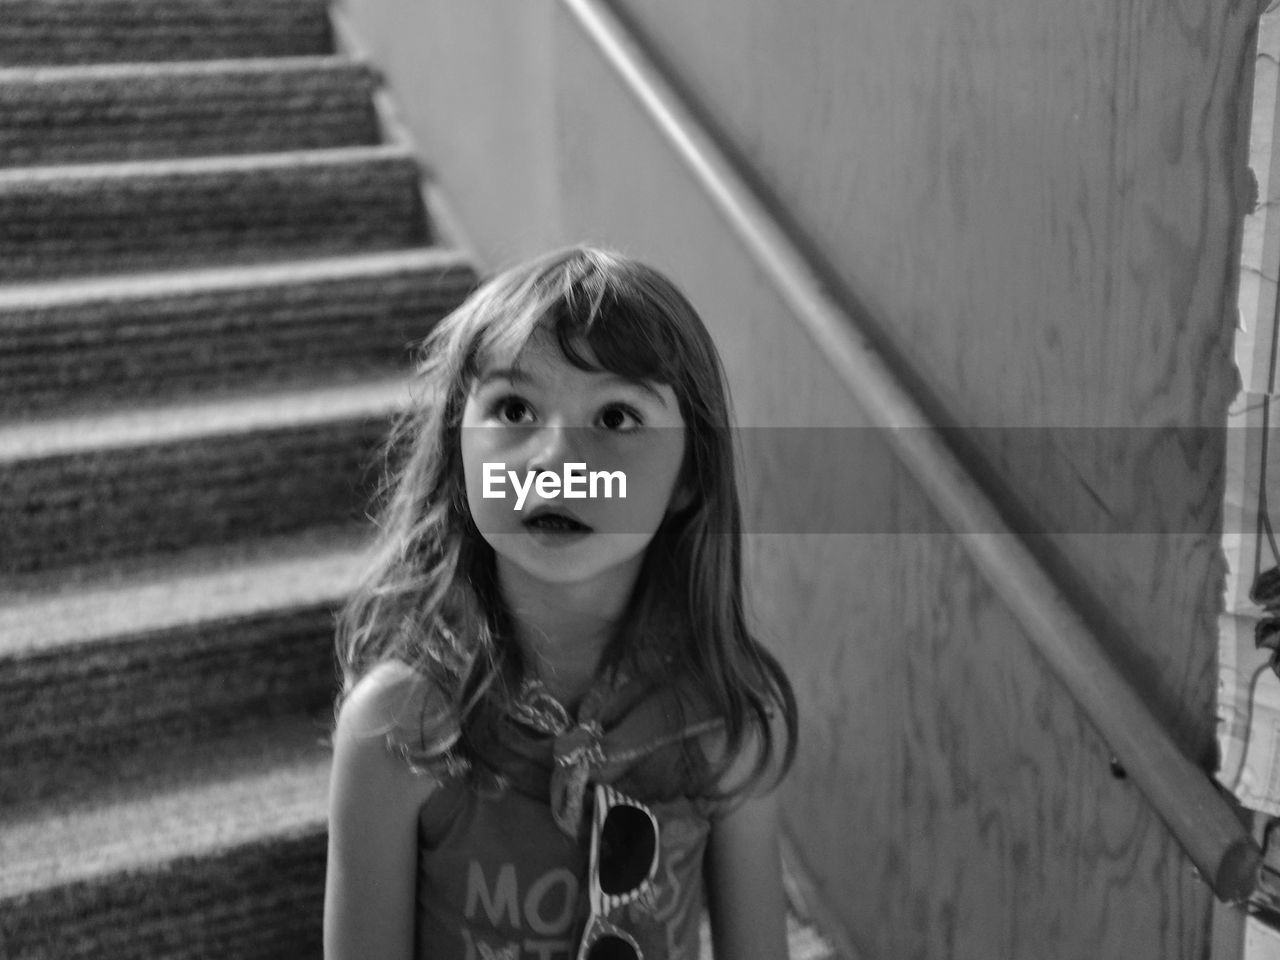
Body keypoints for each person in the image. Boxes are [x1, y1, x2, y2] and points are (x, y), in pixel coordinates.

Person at [323, 246, 798, 960]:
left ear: (688, 478)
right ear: (458, 456)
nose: (558, 461)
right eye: (514, 408)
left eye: (615, 417)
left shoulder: (726, 726)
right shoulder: (398, 731)